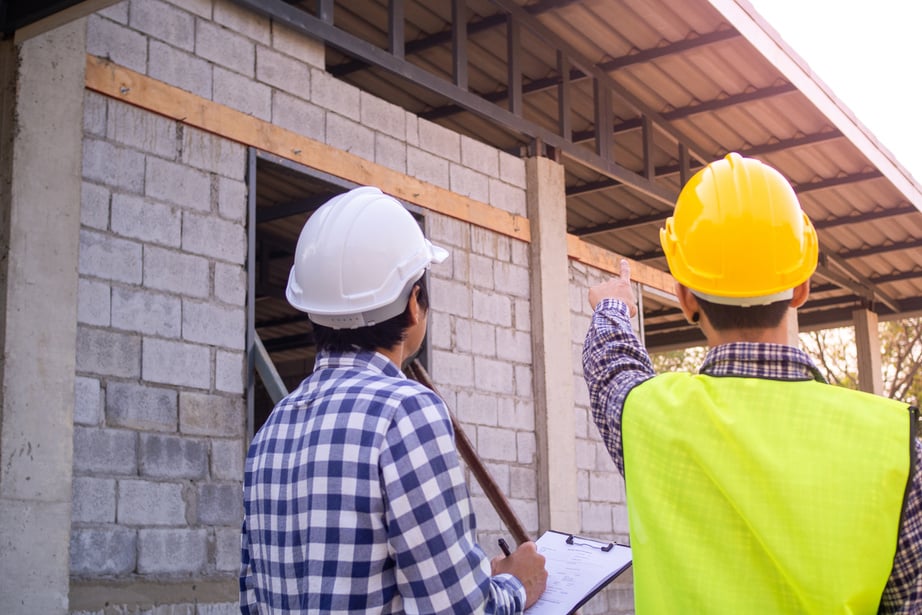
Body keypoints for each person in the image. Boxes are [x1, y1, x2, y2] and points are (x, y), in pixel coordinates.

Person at [582, 153, 922, 613]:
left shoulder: (648, 419)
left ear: (685, 299)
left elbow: (612, 367)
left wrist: (613, 309)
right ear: (800, 288)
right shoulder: (896, 444)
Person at [240, 186, 547, 614]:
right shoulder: (406, 413)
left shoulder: (272, 429)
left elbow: (253, 601)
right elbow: (457, 610)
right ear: (414, 304)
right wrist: (517, 583)